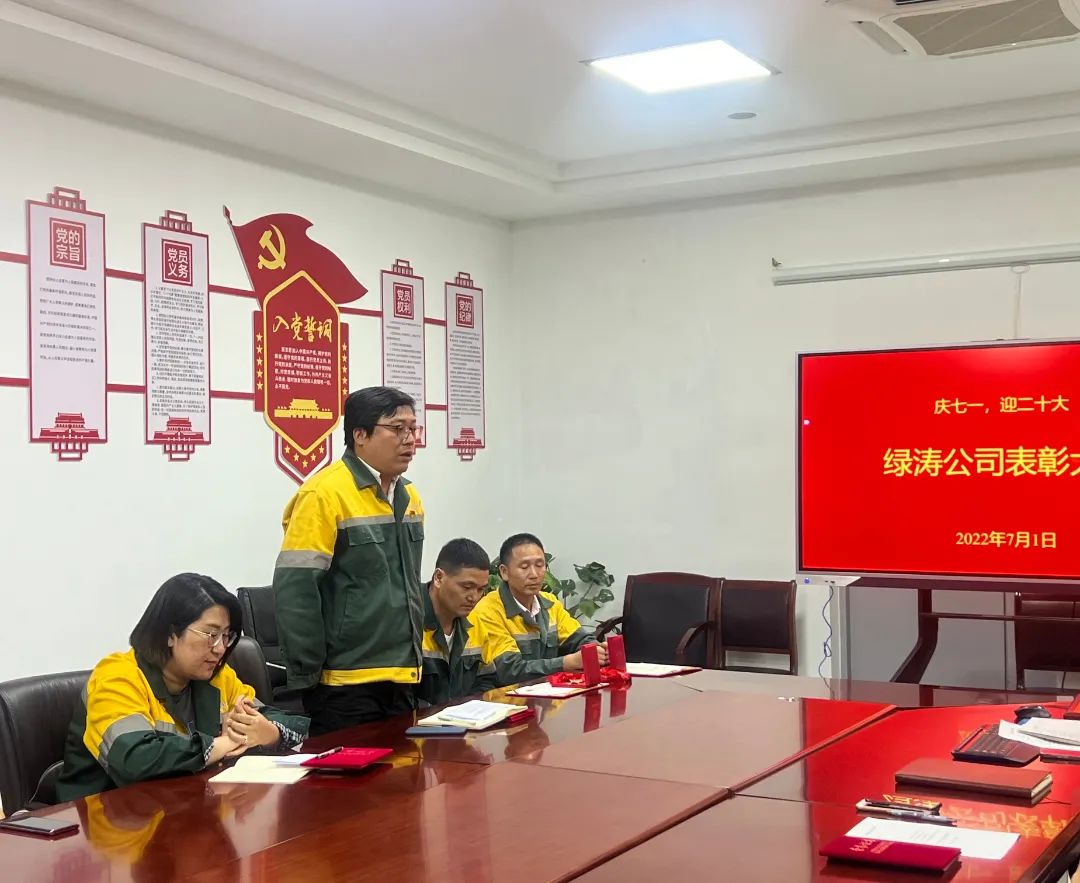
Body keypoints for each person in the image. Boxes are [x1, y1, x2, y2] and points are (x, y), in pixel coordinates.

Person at [56, 574, 308, 802]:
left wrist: (269, 732)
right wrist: (221, 745)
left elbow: (292, 724)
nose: (221, 648)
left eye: (226, 636)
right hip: (104, 819)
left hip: (184, 808)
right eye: (211, 635)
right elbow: (135, 759)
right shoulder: (117, 677)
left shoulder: (216, 677)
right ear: (170, 634)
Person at [273, 386, 425, 735]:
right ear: (360, 435)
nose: (409, 439)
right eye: (397, 428)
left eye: (412, 428)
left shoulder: (409, 495)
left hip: (403, 674)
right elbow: (296, 588)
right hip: (344, 683)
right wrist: (308, 675)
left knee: (406, 770)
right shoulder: (324, 494)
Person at [469, 533, 607, 686]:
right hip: (503, 696)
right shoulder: (487, 611)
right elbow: (510, 670)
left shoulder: (550, 602)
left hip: (547, 692)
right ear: (504, 572)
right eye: (524, 567)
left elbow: (578, 638)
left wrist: (596, 649)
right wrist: (566, 663)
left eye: (540, 565)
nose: (534, 574)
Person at [417, 538, 499, 706]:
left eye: (481, 589)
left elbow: (487, 680)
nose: (474, 597)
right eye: (467, 587)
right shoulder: (407, 620)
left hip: (465, 719)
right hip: (415, 721)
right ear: (439, 578)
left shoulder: (475, 623)